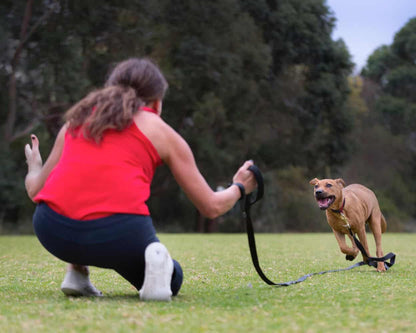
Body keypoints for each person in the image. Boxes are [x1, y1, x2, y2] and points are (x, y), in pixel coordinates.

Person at [24, 58, 257, 301]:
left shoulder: (76, 120)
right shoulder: (160, 130)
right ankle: (157, 265)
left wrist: (35, 165)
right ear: (156, 103)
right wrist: (240, 186)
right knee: (172, 278)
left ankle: (77, 272)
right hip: (118, 235)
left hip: (52, 231)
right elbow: (211, 206)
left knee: (84, 199)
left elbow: (34, 191)